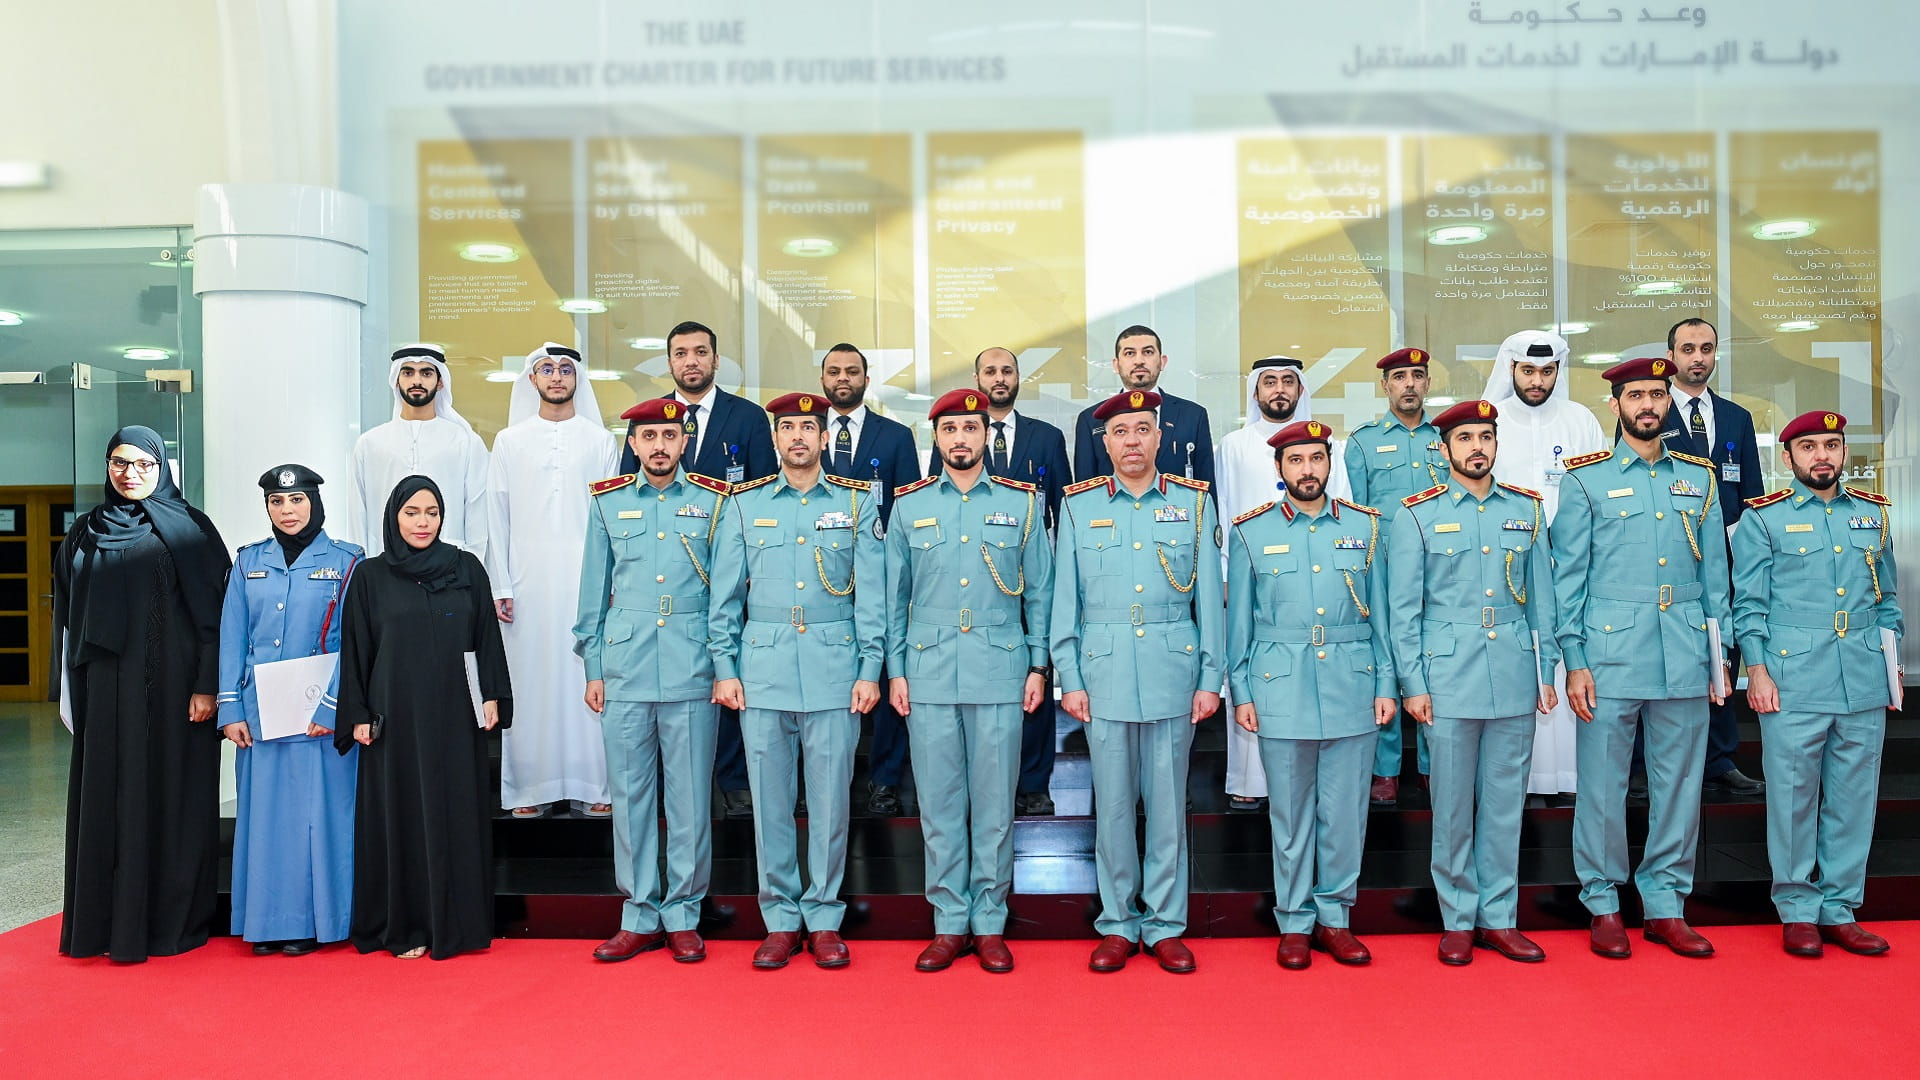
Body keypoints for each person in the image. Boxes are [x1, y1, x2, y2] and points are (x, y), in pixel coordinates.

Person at [1553, 357, 1730, 960]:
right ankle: (1602, 901)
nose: (1648, 405)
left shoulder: (1699, 479)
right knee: (1602, 784)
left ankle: (1665, 904)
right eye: (1636, 395)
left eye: (1657, 394)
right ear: (1616, 405)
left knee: (1678, 784)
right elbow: (1567, 579)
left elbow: (1715, 578)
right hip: (1609, 652)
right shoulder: (1585, 481)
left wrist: (1718, 655)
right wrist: (1574, 658)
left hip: (1682, 649)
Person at [708, 392, 885, 970]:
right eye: (788, 428)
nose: (799, 437)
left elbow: (872, 599)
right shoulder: (743, 505)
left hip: (835, 672)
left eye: (809, 427)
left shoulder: (856, 504)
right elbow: (725, 601)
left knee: (832, 803)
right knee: (771, 805)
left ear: (823, 436)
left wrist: (869, 670)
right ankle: (781, 918)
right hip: (763, 673)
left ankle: (826, 915)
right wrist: (726, 669)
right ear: (776, 439)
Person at [1053, 389, 1223, 975]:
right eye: (1120, 431)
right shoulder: (1077, 507)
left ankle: (1167, 924)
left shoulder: (1194, 504)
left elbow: (1210, 607)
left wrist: (1211, 678)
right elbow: (1064, 603)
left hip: (1174, 672)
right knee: (1116, 809)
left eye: (1142, 430)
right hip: (1102, 676)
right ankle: (1119, 924)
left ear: (1159, 437)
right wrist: (1068, 676)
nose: (1131, 441)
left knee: (1169, 807)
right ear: (1104, 442)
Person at [887, 389, 1054, 974]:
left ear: (988, 436)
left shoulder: (1024, 503)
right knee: (938, 804)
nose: (961, 439)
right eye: (950, 429)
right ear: (936, 438)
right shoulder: (908, 507)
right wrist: (895, 671)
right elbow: (893, 599)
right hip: (928, 671)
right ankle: (948, 921)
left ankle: (989, 921)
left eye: (971, 429)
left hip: (999, 670)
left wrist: (1039, 666)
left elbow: (1042, 593)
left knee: (993, 805)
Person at [51, 427, 231, 962]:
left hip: (174, 693)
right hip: (105, 689)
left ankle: (167, 924)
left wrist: (207, 686)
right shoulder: (85, 532)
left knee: (169, 796)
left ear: (161, 466)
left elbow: (217, 614)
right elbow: (66, 613)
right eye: (118, 463)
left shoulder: (192, 529)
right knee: (107, 797)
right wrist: (69, 686)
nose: (129, 473)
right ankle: (105, 926)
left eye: (141, 464)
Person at [1387, 401, 1557, 965]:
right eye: (1465, 439)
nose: (1477, 447)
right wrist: (1413, 683)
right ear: (1444, 449)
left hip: (1511, 671)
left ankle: (1499, 918)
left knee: (1506, 805)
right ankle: (1458, 917)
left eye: (1485, 436)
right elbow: (1402, 613)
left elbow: (1543, 604)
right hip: (1448, 675)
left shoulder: (1525, 510)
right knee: (1455, 805)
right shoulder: (1417, 516)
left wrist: (1545, 670)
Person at [1732, 410, 1901, 956]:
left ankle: (1840, 906)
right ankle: (1798, 908)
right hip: (1792, 677)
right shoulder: (1765, 518)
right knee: (1793, 798)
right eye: (1809, 447)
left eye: (1832, 445)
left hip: (1862, 675)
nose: (1822, 455)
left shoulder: (1871, 516)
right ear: (1789, 459)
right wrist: (1755, 669)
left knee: (1854, 798)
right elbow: (1748, 605)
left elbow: (1888, 598)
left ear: (1845, 453)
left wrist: (1890, 650)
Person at [1226, 418, 1392, 970]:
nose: (1307, 470)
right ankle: (1295, 920)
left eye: (1316, 459)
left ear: (1330, 465)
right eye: (1295, 461)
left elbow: (1386, 617)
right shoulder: (1251, 532)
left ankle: (1336, 918)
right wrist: (1242, 689)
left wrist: (1387, 683)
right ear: (1279, 470)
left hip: (1353, 683)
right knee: (1291, 816)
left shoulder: (1367, 529)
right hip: (1280, 684)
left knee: (1344, 814)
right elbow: (1241, 625)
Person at [576, 399, 731, 964]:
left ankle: (684, 914)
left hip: (692, 666)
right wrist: (593, 666)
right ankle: (640, 912)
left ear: (683, 441)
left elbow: (726, 596)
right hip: (625, 667)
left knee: (689, 799)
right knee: (631, 797)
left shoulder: (715, 501)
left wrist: (723, 666)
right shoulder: (608, 501)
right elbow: (593, 588)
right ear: (634, 444)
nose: (659, 446)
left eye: (669, 435)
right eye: (649, 437)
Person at [334, 476, 513, 960]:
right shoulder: (370, 577)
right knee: (402, 817)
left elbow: (486, 638)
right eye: (412, 512)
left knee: (457, 812)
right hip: (393, 721)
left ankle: (459, 924)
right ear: (394, 516)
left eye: (431, 512)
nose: (422, 522)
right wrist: (358, 715)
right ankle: (408, 925)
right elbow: (355, 650)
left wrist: (492, 696)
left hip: (456, 717)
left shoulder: (467, 568)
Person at [216, 465, 362, 956]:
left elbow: (355, 644)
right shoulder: (247, 563)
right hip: (260, 717)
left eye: (296, 500)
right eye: (277, 503)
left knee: (318, 821)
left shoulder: (347, 562)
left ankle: (318, 923)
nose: (287, 511)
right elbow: (232, 637)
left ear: (315, 502)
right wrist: (230, 708)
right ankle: (267, 923)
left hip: (317, 718)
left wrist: (334, 705)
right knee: (265, 822)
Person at [636, 320, 777, 820]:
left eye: (700, 352)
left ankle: (734, 778)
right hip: (666, 570)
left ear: (716, 360)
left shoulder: (749, 418)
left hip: (733, 566)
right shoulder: (649, 421)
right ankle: (675, 782)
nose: (691, 361)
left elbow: (763, 495)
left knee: (732, 669)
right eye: (680, 353)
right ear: (669, 362)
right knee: (678, 677)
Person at [485, 342, 619, 819]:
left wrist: (612, 582)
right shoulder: (509, 440)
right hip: (526, 585)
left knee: (589, 678)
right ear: (533, 379)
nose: (557, 376)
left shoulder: (600, 441)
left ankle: (594, 784)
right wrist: (500, 583)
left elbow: (612, 519)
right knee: (530, 682)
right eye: (547, 369)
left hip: (588, 581)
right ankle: (529, 790)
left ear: (577, 379)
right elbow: (495, 517)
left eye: (565, 369)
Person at [1215, 354, 1353, 812]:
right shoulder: (1232, 445)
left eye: (1287, 382)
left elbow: (1347, 512)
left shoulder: (1332, 446)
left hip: (1319, 582)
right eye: (1269, 382)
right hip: (1254, 579)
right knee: (1255, 675)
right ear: (1255, 392)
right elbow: (1223, 515)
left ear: (1300, 390)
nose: (1279, 390)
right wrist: (1227, 579)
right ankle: (1248, 779)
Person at [1481, 329, 1604, 803]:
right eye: (1528, 371)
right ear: (1510, 369)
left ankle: (1568, 778)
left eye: (1547, 371)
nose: (1537, 381)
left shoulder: (1580, 420)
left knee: (1569, 658)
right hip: (1504, 569)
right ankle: (1525, 780)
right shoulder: (1489, 423)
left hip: (1571, 565)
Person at [960, 346, 1073, 817]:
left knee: (1036, 676)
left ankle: (1032, 783)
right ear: (977, 377)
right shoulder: (961, 436)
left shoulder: (1045, 437)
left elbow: (1063, 509)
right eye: (990, 370)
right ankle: (979, 782)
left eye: (1007, 370)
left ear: (1018, 377)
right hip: (976, 582)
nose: (999, 378)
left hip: (1032, 575)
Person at [1660, 317, 1767, 797]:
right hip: (1669, 557)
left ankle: (1721, 760)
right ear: (1673, 356)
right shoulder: (1649, 411)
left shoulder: (1736, 417)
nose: (1697, 357)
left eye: (1706, 348)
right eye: (1688, 348)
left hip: (1725, 557)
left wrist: (1750, 556)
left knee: (1724, 650)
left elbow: (1752, 494)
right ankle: (1650, 763)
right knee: (1662, 656)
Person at [819, 342, 922, 817]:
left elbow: (906, 513)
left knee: (884, 674)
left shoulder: (895, 436)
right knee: (826, 681)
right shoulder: (805, 433)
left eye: (852, 371)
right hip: (819, 580)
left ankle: (884, 780)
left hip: (880, 576)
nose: (843, 378)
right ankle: (819, 782)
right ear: (823, 379)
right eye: (834, 371)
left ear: (866, 378)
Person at [1346, 347, 1445, 805]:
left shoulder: (1448, 435)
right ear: (1385, 386)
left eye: (1417, 376)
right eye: (1400, 377)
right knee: (1385, 665)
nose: (1409, 384)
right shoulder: (1363, 442)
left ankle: (1431, 764)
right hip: (1384, 575)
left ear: (1428, 384)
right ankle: (1386, 768)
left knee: (1432, 665)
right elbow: (1358, 516)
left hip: (1443, 572)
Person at [349, 344, 491, 561]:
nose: (417, 381)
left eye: (426, 373)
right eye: (408, 373)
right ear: (396, 380)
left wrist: (471, 569)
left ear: (440, 381)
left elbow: (477, 512)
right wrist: (364, 569)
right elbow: (358, 514)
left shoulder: (465, 441)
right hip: (385, 567)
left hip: (449, 568)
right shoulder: (370, 443)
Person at [1072, 325, 1216, 487]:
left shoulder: (1193, 416)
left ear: (1162, 362)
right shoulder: (1091, 419)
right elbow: (1085, 493)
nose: (1139, 360)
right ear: (1116, 364)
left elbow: (1205, 490)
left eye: (1148, 352)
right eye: (1129, 353)